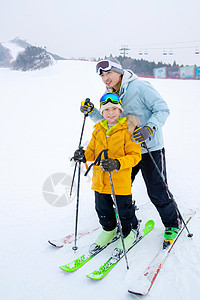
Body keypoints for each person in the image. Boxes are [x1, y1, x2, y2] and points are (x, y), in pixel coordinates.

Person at [80, 57, 182, 244]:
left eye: (109, 73)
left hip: (149, 148)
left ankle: (172, 223)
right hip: (125, 152)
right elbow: (110, 120)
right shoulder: (109, 92)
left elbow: (162, 109)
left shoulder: (140, 87)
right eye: (102, 75)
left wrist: (149, 128)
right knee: (117, 188)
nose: (105, 78)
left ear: (119, 71)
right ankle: (127, 219)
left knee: (157, 190)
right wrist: (92, 111)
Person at [74, 93, 141, 255]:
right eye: (106, 110)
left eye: (114, 109)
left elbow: (135, 156)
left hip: (120, 180)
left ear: (120, 111)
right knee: (102, 208)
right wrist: (83, 155)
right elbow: (92, 151)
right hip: (100, 179)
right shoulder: (98, 129)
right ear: (102, 113)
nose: (110, 113)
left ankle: (130, 231)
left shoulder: (129, 130)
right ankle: (109, 229)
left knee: (124, 209)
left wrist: (117, 163)